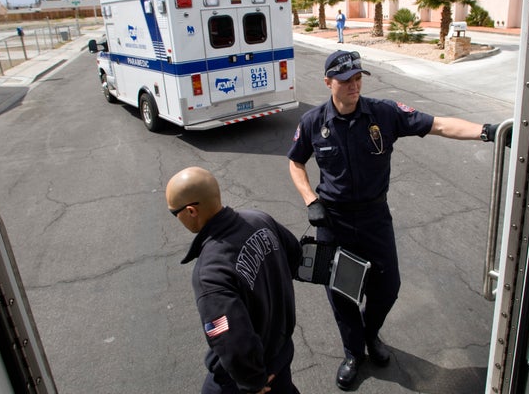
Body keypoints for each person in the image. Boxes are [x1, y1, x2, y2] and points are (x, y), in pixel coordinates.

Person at [286, 50, 506, 391]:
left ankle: (370, 334)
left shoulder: (384, 113)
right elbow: (295, 163)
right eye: (345, 81)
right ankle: (353, 354)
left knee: (387, 287)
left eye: (358, 78)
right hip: (334, 219)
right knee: (343, 293)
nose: (354, 86)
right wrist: (310, 200)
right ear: (328, 82)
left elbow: (439, 125)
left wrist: (489, 131)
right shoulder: (313, 122)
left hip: (374, 216)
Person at [167, 167, 302, 394]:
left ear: (191, 211)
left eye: (174, 213)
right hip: (280, 351)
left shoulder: (210, 273)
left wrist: (252, 382)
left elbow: (231, 339)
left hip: (248, 376)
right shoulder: (260, 219)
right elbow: (295, 255)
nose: (176, 217)